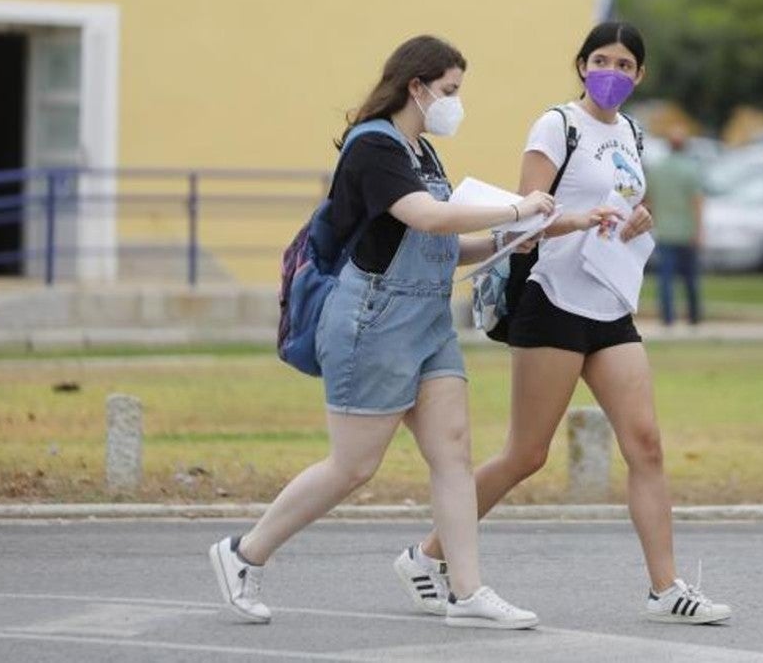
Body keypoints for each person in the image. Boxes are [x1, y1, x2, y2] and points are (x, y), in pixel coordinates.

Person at [208, 35, 552, 630]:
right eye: (449, 91)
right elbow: (427, 216)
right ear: (416, 87)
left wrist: (536, 229)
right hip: (373, 318)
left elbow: (445, 245)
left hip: (427, 320)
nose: (455, 103)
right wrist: (519, 209)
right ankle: (243, 554)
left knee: (452, 451)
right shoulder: (374, 147)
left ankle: (467, 591)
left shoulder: (423, 153)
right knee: (352, 465)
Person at [402, 22, 732, 625]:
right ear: (581, 66)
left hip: (611, 304)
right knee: (527, 454)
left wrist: (640, 220)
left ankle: (667, 589)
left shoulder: (632, 132)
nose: (612, 72)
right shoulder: (557, 125)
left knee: (647, 446)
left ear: (641, 75)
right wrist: (580, 219)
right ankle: (426, 555)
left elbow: (631, 205)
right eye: (601, 60)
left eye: (625, 64)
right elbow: (519, 217)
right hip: (552, 299)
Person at [646, 124, 705, 328]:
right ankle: (694, 317)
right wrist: (699, 231)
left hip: (664, 231)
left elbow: (649, 200)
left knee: (666, 279)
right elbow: (697, 202)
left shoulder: (658, 169)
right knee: (690, 279)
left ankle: (668, 318)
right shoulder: (691, 169)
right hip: (686, 231)